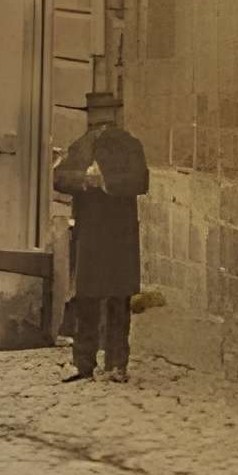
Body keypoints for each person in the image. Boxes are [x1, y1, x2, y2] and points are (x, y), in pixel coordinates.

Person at [51, 84, 148, 382]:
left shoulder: (130, 146)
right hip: (91, 235)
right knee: (88, 299)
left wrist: (105, 182)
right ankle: (85, 362)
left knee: (118, 299)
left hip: (119, 234)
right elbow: (59, 177)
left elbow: (140, 181)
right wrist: (85, 181)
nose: (101, 125)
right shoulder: (80, 146)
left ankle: (117, 363)